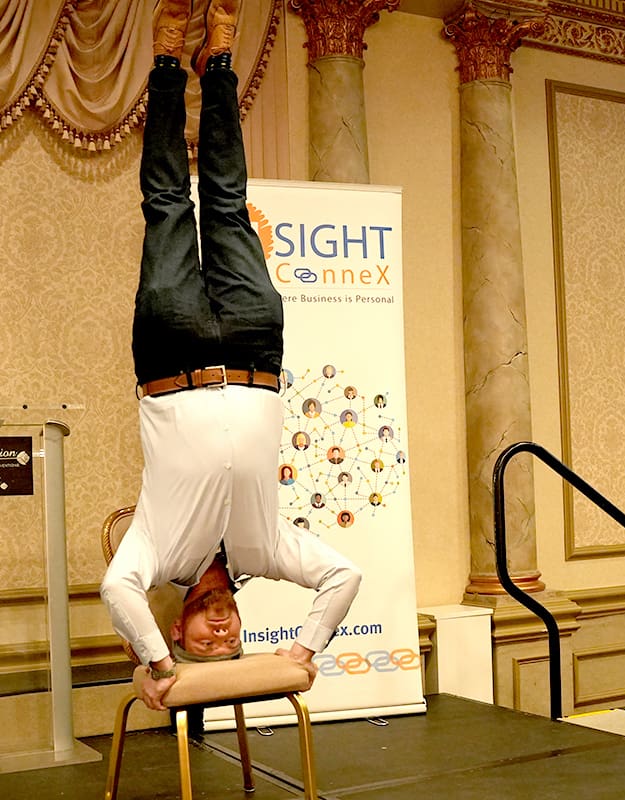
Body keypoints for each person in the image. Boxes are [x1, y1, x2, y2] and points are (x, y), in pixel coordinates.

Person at [100, 0, 361, 712]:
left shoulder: (157, 553)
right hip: (254, 349)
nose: (220, 632)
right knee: (225, 202)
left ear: (177, 625)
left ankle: (166, 60)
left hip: (170, 354)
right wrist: (304, 649)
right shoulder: (265, 550)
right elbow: (343, 576)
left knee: (166, 203)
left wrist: (159, 665)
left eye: (204, 642)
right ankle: (218, 59)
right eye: (232, 640)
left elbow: (116, 588)